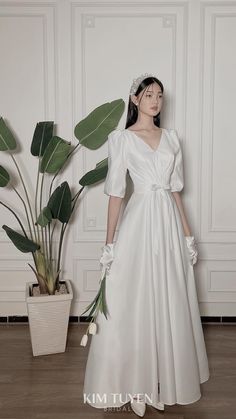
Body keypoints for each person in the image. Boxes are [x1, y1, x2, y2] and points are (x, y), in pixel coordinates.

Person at [82, 73, 210, 417]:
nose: (155, 100)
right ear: (135, 99)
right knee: (134, 299)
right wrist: (109, 245)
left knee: (168, 296)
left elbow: (175, 190)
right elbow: (114, 194)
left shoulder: (171, 138)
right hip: (138, 222)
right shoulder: (122, 139)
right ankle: (133, 382)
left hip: (166, 221)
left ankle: (162, 379)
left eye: (160, 95)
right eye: (149, 94)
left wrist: (186, 234)